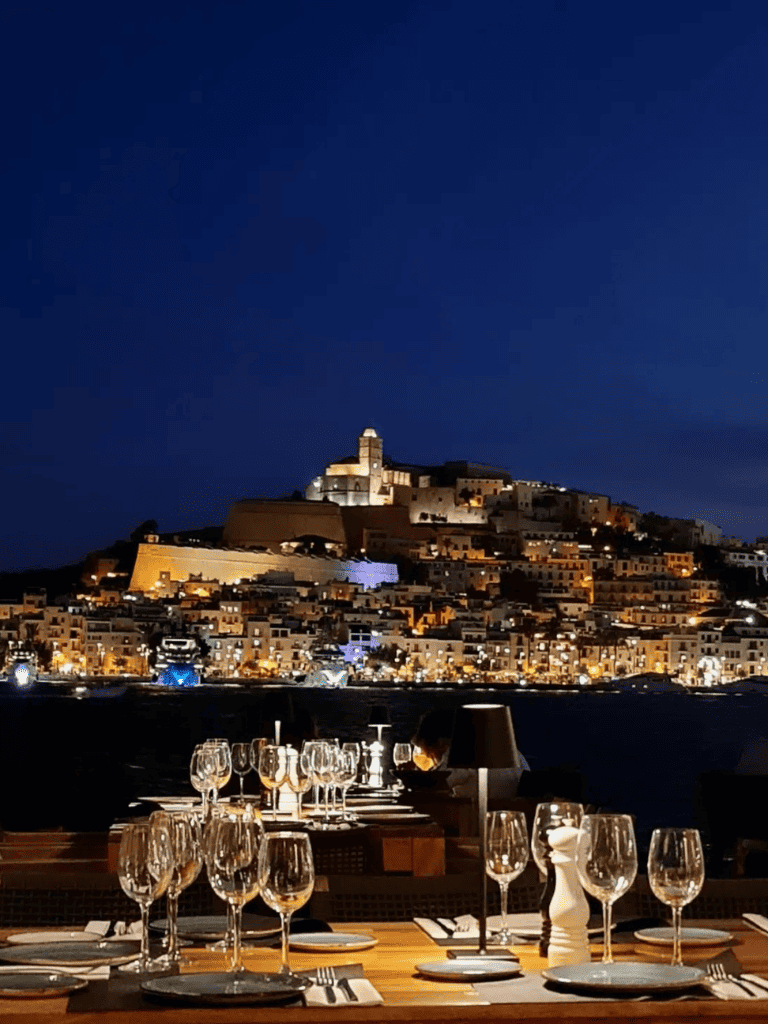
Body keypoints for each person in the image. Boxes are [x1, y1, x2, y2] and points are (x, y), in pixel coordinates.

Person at [411, 709, 530, 801]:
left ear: (441, 743)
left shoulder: (463, 751)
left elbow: (433, 785)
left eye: (430, 754)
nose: (435, 761)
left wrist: (408, 775)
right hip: (515, 818)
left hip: (477, 821)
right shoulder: (511, 751)